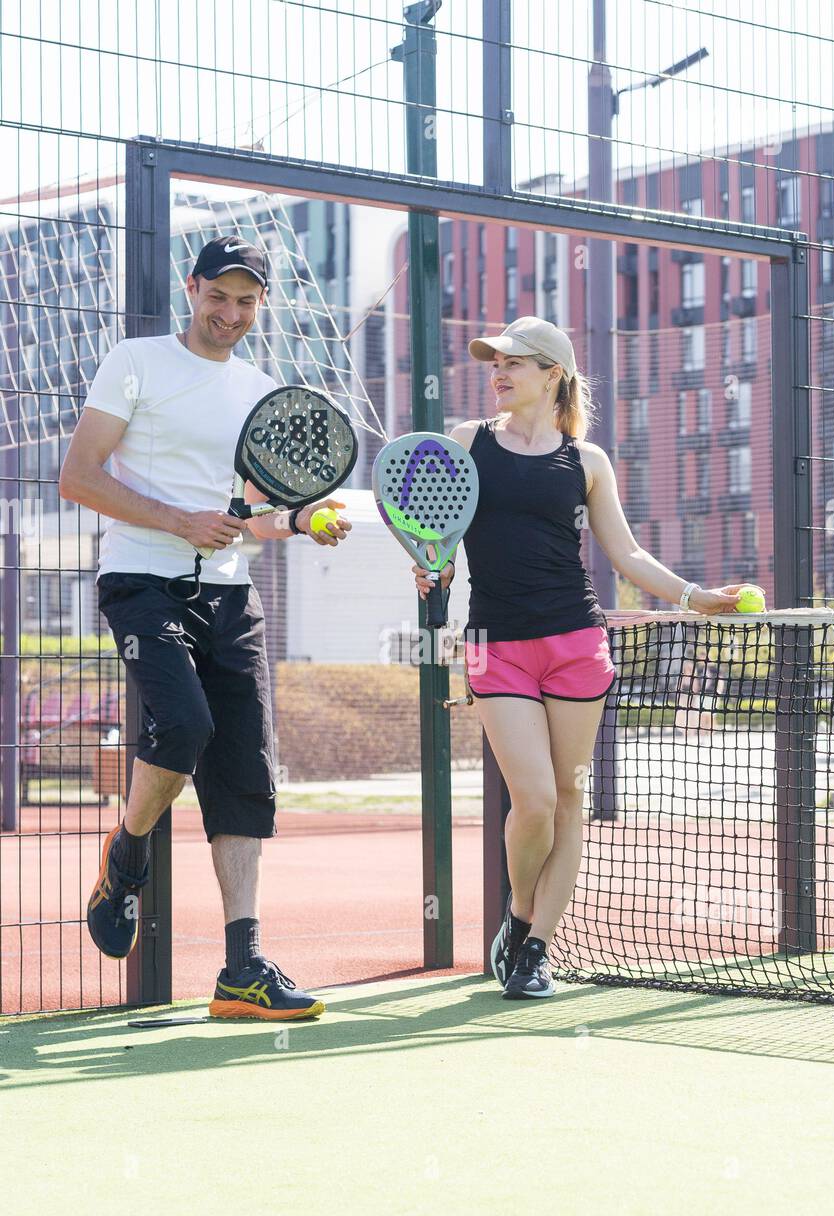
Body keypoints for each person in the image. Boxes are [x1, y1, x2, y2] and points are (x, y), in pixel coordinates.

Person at [412, 316, 759, 1000]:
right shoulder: (465, 443)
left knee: (569, 797)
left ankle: (535, 946)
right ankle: (518, 912)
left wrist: (697, 597)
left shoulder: (587, 461)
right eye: (494, 361)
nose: (499, 371)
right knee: (534, 798)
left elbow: (625, 553)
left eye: (515, 361)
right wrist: (434, 571)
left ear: (553, 375)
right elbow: (439, 544)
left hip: (578, 645)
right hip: (495, 646)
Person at [59, 236, 351, 1021]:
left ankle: (242, 968)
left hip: (230, 598)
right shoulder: (135, 360)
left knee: (246, 774)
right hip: (141, 582)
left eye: (246, 301)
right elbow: (78, 476)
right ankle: (127, 856)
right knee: (182, 724)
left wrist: (306, 519)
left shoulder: (260, 390)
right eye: (218, 296)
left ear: (262, 306)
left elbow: (252, 517)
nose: (230, 312)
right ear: (191, 289)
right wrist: (177, 520)